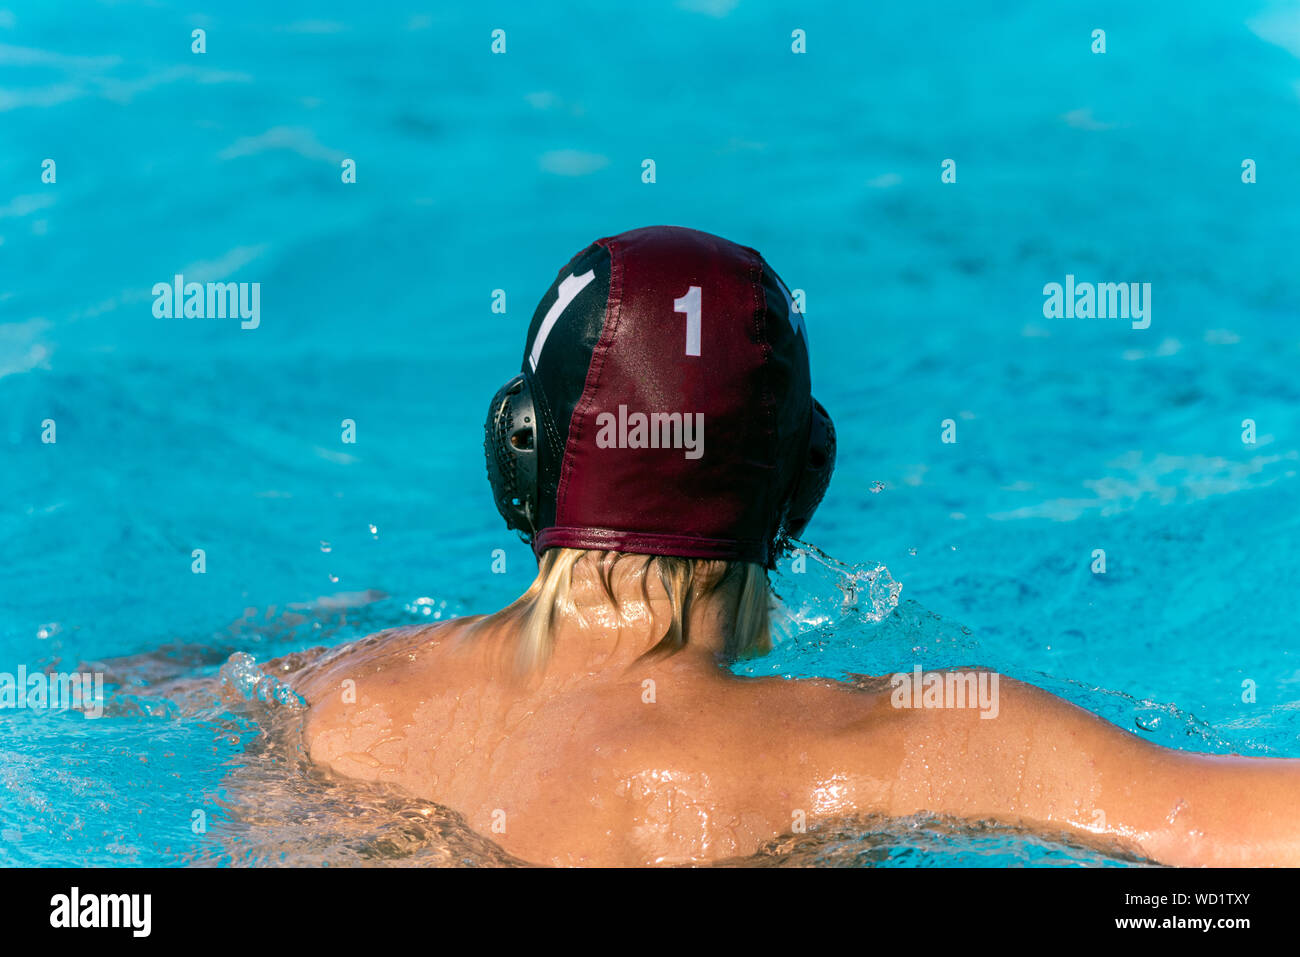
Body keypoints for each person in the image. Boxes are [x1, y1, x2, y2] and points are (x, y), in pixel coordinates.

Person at [286, 225, 1300, 867]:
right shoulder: (886, 744)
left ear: (520, 452)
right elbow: (1217, 824)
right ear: (802, 481)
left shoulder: (341, 698)